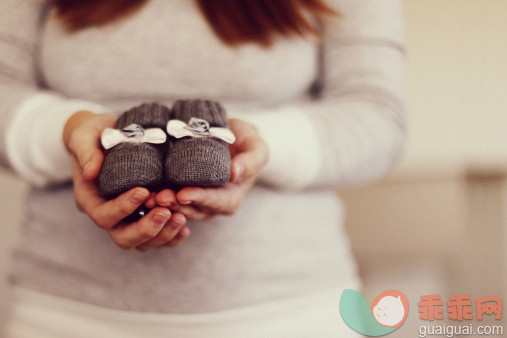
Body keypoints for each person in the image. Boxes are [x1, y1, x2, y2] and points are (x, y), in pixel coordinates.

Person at [0, 0, 406, 336]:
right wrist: (68, 131)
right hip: (65, 313)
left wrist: (257, 146)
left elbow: (378, 118)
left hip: (290, 311)